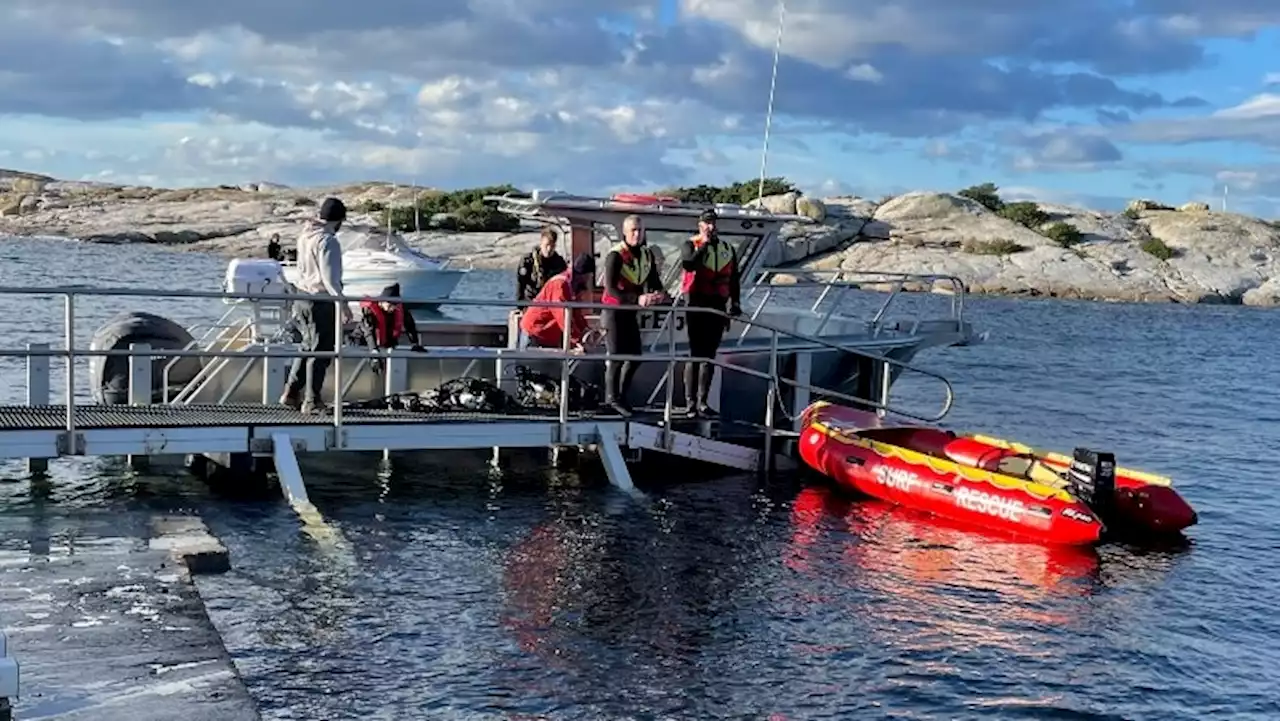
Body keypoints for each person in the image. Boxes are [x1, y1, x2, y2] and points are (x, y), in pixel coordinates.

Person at [279, 197, 351, 414]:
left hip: (301, 296)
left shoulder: (305, 235)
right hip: (319, 300)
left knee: (306, 347)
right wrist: (343, 304)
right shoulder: (328, 241)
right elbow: (330, 279)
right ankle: (311, 401)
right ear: (338, 220)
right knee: (321, 351)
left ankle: (291, 392)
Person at [600, 214, 667, 416]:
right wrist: (637, 299)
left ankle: (622, 396)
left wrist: (660, 293)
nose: (637, 234)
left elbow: (654, 280)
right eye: (633, 231)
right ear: (625, 233)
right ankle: (611, 399)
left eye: (640, 230)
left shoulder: (646, 255)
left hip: (630, 314)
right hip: (614, 312)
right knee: (617, 356)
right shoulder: (615, 255)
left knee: (635, 356)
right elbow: (611, 289)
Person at [679, 208, 741, 417]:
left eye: (713, 223)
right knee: (696, 354)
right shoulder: (690, 245)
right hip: (696, 304)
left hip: (717, 306)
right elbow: (689, 264)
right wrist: (704, 244)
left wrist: (735, 303)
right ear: (700, 225)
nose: (711, 227)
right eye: (706, 223)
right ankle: (690, 403)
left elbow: (734, 280)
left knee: (709, 355)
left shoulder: (727, 249)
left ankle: (703, 402)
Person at [519, 253, 596, 351]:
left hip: (548, 335)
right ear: (584, 275)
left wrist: (585, 330)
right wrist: (578, 340)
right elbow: (562, 315)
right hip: (535, 333)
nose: (589, 280)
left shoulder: (573, 287)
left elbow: (576, 314)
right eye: (589, 276)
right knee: (534, 365)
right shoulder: (560, 285)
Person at [349, 283, 424, 351]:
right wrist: (374, 350)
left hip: (384, 345)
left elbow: (410, 325)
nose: (392, 308)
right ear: (382, 301)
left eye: (395, 305)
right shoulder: (370, 311)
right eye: (390, 305)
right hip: (361, 344)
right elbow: (368, 331)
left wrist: (415, 343)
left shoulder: (398, 309)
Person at [516, 228, 568, 301]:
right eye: (546, 245)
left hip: (550, 300)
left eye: (552, 246)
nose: (549, 249)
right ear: (541, 244)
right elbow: (521, 284)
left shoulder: (559, 263)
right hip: (531, 299)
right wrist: (519, 306)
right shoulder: (528, 261)